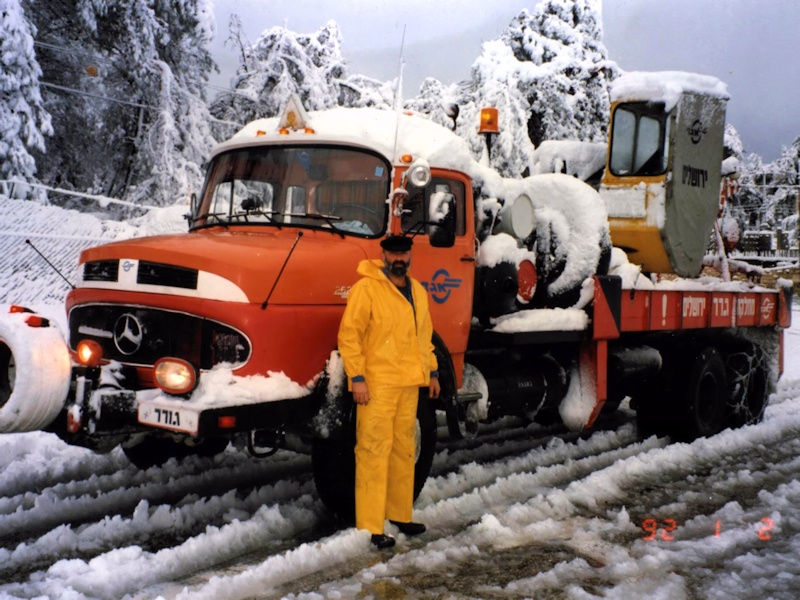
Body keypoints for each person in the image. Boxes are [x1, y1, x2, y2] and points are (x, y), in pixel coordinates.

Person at [337, 234, 441, 549]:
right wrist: (357, 378)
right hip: (378, 385)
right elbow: (349, 335)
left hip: (409, 383)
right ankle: (370, 526)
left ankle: (399, 514)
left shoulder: (419, 292)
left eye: (404, 253)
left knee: (403, 450)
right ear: (383, 255)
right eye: (393, 253)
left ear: (410, 256)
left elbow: (425, 336)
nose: (399, 258)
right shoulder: (367, 289)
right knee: (372, 451)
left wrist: (432, 371)